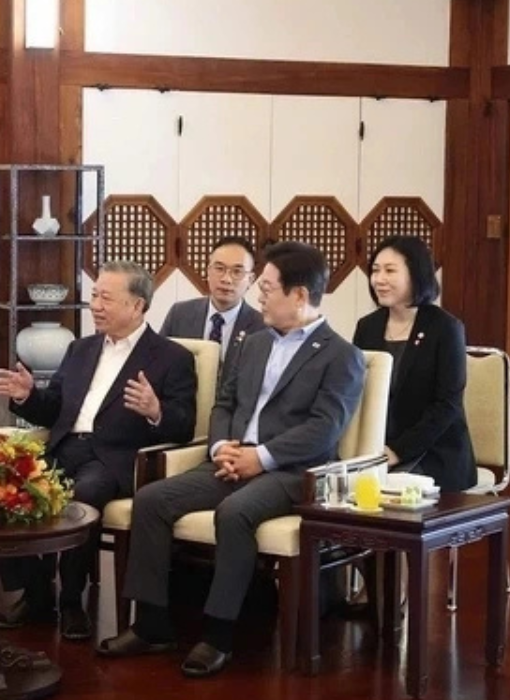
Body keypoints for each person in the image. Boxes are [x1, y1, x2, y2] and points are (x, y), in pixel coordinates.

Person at [99, 241, 365, 678]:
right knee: (151, 499)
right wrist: (220, 446)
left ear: (300, 295)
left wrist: (261, 457)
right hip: (230, 459)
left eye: (268, 288)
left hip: (292, 472)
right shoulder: (254, 343)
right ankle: (151, 625)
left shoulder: (342, 355)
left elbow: (324, 429)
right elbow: (224, 403)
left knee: (235, 512)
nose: (259, 296)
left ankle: (218, 635)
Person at [0, 260, 197, 641]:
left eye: (106, 298)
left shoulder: (172, 357)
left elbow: (184, 426)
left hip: (114, 459)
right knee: (3, 484)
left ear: (137, 305)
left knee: (83, 495)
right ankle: (37, 593)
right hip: (64, 448)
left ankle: (72, 600)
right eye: (95, 296)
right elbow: (55, 408)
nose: (96, 306)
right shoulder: (80, 348)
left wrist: (156, 410)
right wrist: (28, 396)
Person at [354, 235, 475, 492]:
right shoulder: (368, 327)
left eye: (390, 271)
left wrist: (397, 451)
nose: (379, 279)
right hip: (375, 451)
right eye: (375, 270)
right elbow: (356, 392)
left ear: (416, 274)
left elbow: (447, 405)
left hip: (433, 453)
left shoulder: (445, 328)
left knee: (385, 495)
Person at [159, 236, 265, 362]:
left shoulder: (262, 327)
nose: (226, 279)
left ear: (250, 280)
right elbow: (158, 361)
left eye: (237, 272)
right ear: (208, 271)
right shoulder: (180, 314)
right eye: (219, 269)